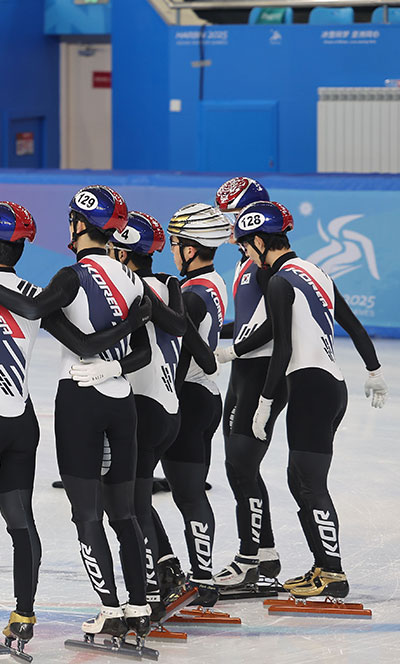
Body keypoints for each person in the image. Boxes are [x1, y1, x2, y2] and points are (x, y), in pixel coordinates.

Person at [0, 201, 149, 656]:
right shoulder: (33, 294)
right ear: (18, 248)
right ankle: (22, 616)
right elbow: (82, 343)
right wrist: (128, 335)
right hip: (23, 422)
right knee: (20, 522)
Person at [227, 200, 386, 598]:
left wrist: (264, 402)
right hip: (334, 386)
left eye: (247, 246)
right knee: (301, 480)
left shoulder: (280, 281)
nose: (246, 253)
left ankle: (333, 573)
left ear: (262, 242)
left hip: (310, 388)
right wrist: (374, 370)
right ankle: (322, 567)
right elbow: (351, 323)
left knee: (310, 484)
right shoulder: (316, 272)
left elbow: (281, 348)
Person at [107, 211, 216, 616]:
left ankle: (156, 592)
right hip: (171, 408)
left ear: (122, 252)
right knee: (136, 502)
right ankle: (170, 573)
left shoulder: (129, 290)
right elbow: (205, 358)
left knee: (128, 504)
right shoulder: (173, 287)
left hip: (143, 408)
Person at [151, 203, 232, 601]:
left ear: (192, 248)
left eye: (178, 243)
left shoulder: (192, 295)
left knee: (173, 493)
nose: (172, 250)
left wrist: (167, 401)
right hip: (207, 398)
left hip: (186, 397)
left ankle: (190, 575)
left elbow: (181, 354)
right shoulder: (214, 282)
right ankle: (202, 576)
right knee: (191, 493)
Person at [210, 176, 286, 591]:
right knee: (239, 466)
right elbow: (250, 319)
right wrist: (215, 332)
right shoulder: (245, 261)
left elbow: (277, 322)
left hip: (260, 371)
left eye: (232, 215)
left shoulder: (265, 263)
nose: (228, 224)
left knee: (242, 465)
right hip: (244, 372)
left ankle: (248, 560)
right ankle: (266, 554)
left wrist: (236, 351)